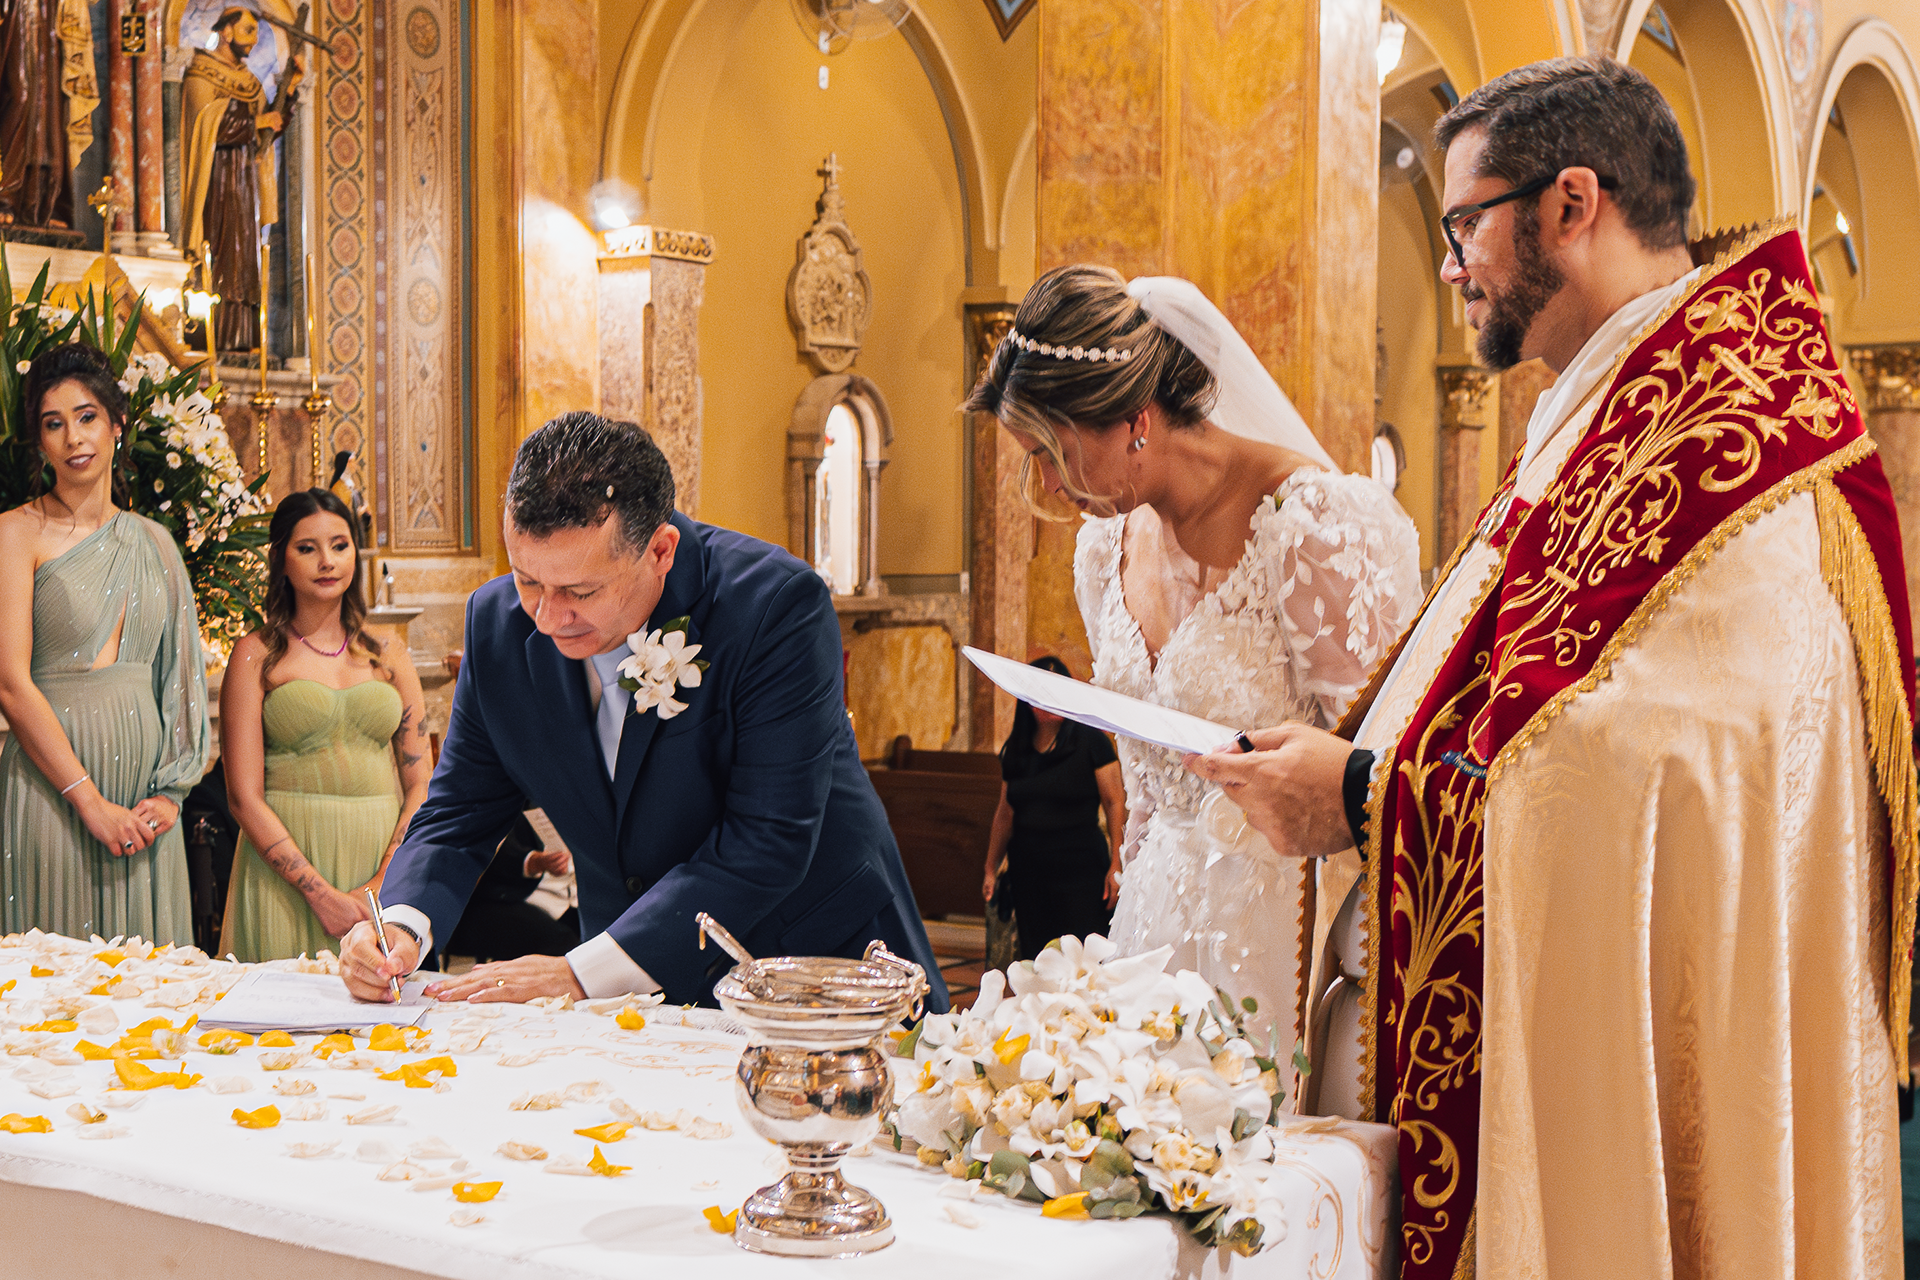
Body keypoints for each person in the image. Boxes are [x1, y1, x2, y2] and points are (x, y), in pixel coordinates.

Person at [1189, 56, 1911, 1279]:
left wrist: (1365, 797)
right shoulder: (1615, 410)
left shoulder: (1735, 449)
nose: (1451, 266)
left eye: (1464, 224)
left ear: (1571, 203)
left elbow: (1674, 781)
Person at [337, 412, 948, 1010]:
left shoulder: (775, 607)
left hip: (812, 967)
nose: (546, 618)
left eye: (580, 591)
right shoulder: (497, 626)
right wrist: (402, 925)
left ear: (660, 550)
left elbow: (769, 838)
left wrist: (581, 973)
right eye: (527, 580)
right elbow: (460, 811)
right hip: (629, 985)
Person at [965, 266, 1421, 1052]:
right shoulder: (1103, 549)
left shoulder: (1311, 524)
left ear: (1134, 422)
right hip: (1151, 927)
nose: (1047, 484)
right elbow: (1145, 788)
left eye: (1054, 452)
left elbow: (1389, 765)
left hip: (1286, 932)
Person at [0, 343, 208, 943]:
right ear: (40, 443)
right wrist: (89, 802)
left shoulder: (157, 542)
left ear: (118, 424)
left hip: (146, 809)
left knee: (151, 985)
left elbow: (182, 680)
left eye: (86, 416)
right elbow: (10, 685)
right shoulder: (15, 534)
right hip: (52, 794)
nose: (73, 438)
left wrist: (170, 795)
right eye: (53, 423)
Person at [218, 489, 432, 961]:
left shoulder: (389, 652)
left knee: (380, 1003)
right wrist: (319, 894)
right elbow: (242, 797)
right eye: (307, 548)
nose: (327, 562)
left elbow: (421, 782)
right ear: (281, 559)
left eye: (339, 545)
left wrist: (385, 880)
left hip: (381, 859)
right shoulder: (255, 654)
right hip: (285, 874)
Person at [981, 656, 1125, 960]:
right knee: (1038, 956)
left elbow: (1114, 801)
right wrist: (990, 867)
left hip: (1080, 867)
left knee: (1082, 955)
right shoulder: (1017, 748)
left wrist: (1117, 863)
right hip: (1028, 868)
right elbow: (1005, 813)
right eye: (1039, 694)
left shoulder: (1091, 741)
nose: (1047, 702)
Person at [182, 6, 302, 352]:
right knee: (221, 254)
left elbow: (268, 130)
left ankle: (242, 336)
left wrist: (290, 90)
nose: (254, 40)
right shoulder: (200, 73)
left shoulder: (250, 82)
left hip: (244, 184)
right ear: (227, 32)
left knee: (244, 259)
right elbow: (208, 126)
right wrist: (256, 123)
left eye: (257, 32)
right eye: (248, 31)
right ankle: (214, 334)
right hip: (215, 183)